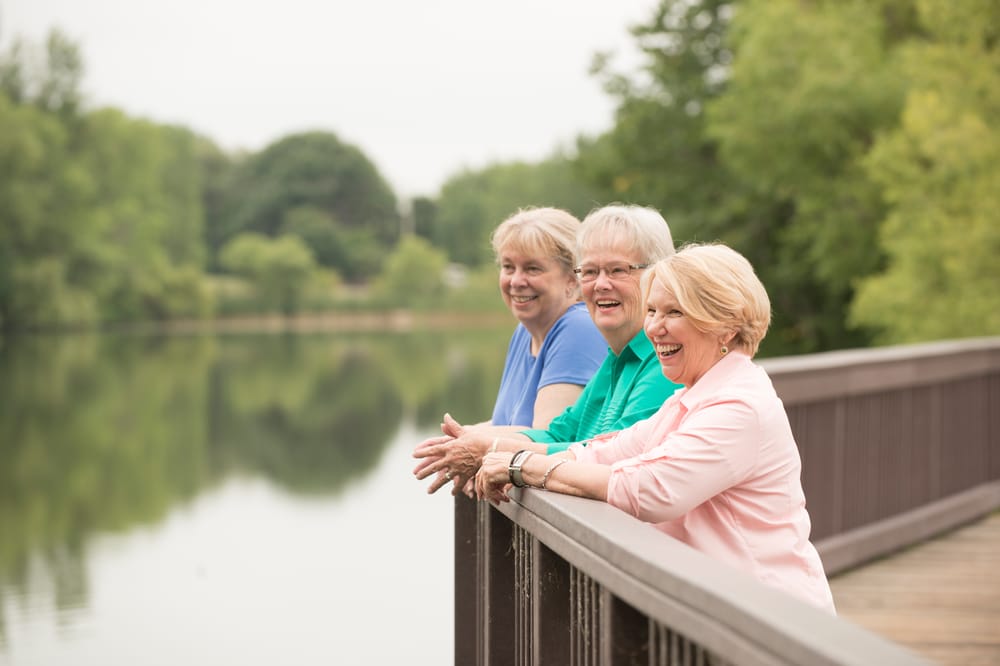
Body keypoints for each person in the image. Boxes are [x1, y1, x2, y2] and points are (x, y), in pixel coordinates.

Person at [472, 243, 837, 612]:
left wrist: (525, 468)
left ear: (725, 327)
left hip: (773, 620)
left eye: (673, 312)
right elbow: (608, 450)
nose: (654, 328)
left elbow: (651, 490)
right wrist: (499, 453)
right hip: (729, 609)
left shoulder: (738, 406)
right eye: (651, 311)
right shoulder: (692, 395)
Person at [414, 205, 683, 495]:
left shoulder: (665, 358)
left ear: (658, 276)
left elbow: (614, 458)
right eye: (590, 271)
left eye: (618, 270)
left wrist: (499, 455)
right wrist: (469, 444)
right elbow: (559, 433)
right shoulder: (617, 357)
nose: (601, 284)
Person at [481, 206, 607, 429]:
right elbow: (505, 425)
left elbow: (544, 437)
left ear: (572, 278)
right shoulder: (525, 331)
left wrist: (468, 444)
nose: (516, 281)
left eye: (532, 269)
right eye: (508, 267)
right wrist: (452, 440)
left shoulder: (579, 328)